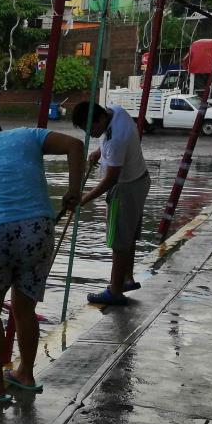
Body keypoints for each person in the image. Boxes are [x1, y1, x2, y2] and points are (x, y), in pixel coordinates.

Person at [0, 110, 85, 402]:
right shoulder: (27, 135)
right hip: (39, 228)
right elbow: (75, 146)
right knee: (24, 310)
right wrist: (74, 190)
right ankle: (25, 373)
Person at [72, 100, 151, 306]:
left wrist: (83, 199)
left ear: (100, 119)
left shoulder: (117, 140)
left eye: (91, 129)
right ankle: (127, 278)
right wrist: (99, 152)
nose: (90, 134)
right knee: (129, 234)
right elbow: (106, 137)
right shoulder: (115, 111)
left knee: (119, 240)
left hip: (125, 188)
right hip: (139, 180)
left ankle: (115, 291)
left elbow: (110, 180)